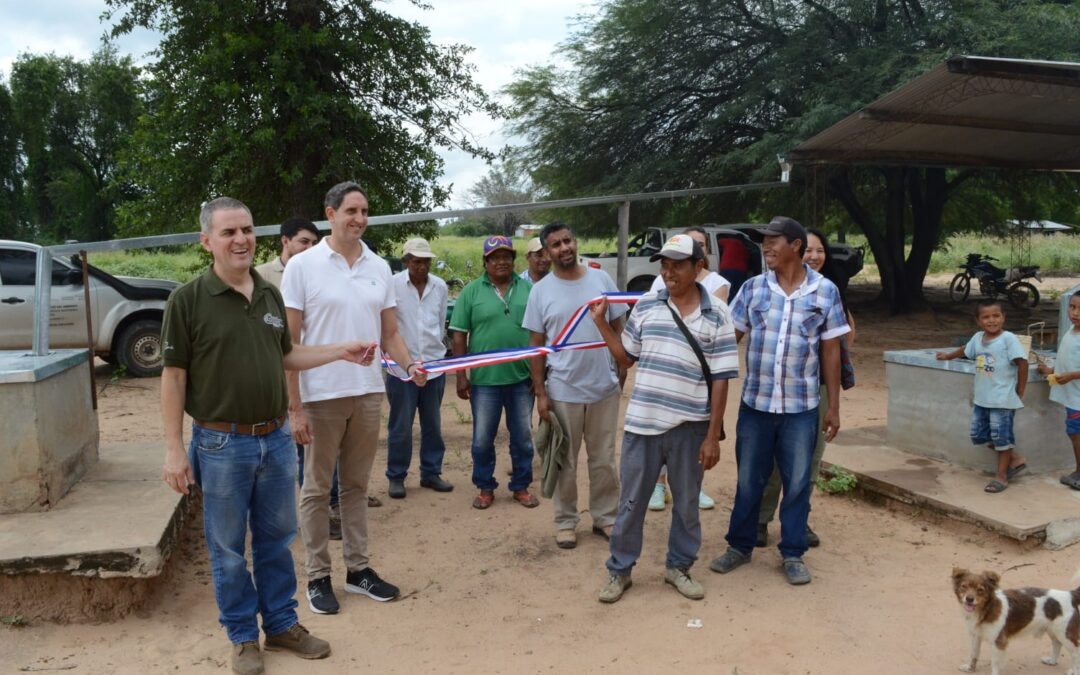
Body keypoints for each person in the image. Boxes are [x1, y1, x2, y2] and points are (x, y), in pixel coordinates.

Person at [161, 197, 376, 674]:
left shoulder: (268, 294)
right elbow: (173, 378)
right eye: (228, 232)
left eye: (246, 230)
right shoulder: (188, 300)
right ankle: (242, 636)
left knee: (277, 540)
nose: (240, 239)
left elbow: (288, 355)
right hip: (220, 445)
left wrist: (341, 350)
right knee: (229, 549)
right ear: (206, 242)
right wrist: (175, 450)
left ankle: (280, 625)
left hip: (275, 439)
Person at [281, 181, 423, 615]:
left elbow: (390, 334)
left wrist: (409, 365)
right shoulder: (303, 267)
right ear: (331, 213)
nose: (359, 219)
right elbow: (288, 344)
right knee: (316, 489)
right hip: (321, 395)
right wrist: (295, 407)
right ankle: (318, 576)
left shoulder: (379, 267)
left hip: (367, 393)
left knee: (358, 486)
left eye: (364, 211)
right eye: (351, 211)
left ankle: (359, 570)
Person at [588, 234, 738, 603]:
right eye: (664, 264)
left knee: (687, 504)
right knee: (631, 503)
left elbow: (721, 379)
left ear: (698, 268)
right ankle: (619, 571)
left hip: (691, 427)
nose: (668, 271)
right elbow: (627, 357)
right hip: (643, 424)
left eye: (678, 264)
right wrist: (602, 324)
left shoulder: (718, 314)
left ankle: (679, 567)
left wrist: (712, 436)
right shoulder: (647, 306)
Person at [709, 216, 849, 586]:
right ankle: (739, 547)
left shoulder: (825, 291)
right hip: (756, 405)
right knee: (749, 481)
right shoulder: (754, 289)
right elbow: (730, 339)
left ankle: (793, 553)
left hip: (802, 409)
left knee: (798, 482)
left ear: (796, 245)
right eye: (763, 242)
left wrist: (832, 406)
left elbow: (831, 351)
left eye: (773, 241)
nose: (766, 247)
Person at [524, 221, 626, 550]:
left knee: (604, 460)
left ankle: (606, 517)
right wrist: (541, 393)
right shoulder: (541, 291)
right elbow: (536, 345)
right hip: (563, 390)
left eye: (567, 240)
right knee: (564, 461)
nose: (564, 248)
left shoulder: (601, 279)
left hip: (603, 389)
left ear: (576, 241)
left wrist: (620, 372)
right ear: (547, 251)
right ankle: (566, 522)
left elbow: (618, 325)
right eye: (555, 244)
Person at [756, 227, 854, 547]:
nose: (815, 256)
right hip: (782, 390)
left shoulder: (830, 290)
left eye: (820, 250)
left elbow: (846, 337)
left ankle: (798, 521)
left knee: (810, 459)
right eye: (809, 250)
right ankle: (760, 518)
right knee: (773, 458)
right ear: (796, 250)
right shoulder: (771, 288)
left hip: (819, 389)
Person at [449, 235, 539, 509]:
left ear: (514, 260)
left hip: (522, 379)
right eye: (495, 258)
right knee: (481, 439)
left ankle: (521, 486)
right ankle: (485, 487)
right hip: (485, 381)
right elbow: (458, 335)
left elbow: (540, 333)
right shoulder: (471, 292)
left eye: (506, 257)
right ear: (485, 262)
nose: (501, 262)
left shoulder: (529, 289)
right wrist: (461, 375)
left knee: (522, 437)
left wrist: (539, 375)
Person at [645, 226, 729, 511]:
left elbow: (713, 314)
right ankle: (659, 486)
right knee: (660, 435)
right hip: (663, 380)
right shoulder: (663, 282)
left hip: (696, 380)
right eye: (666, 264)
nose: (669, 272)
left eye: (700, 244)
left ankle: (694, 489)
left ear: (701, 258)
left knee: (691, 447)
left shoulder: (718, 283)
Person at [937, 299, 1028, 493]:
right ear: (978, 321)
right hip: (982, 398)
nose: (992, 320)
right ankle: (1016, 459)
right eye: (986, 317)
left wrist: (1020, 390)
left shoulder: (1008, 339)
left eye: (996, 316)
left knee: (1001, 439)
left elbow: (1022, 363)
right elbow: (965, 350)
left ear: (1003, 317)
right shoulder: (978, 338)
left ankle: (1001, 477)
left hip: (1002, 399)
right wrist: (948, 356)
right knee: (979, 435)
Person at [385, 237, 452, 498]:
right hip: (402, 370)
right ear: (406, 261)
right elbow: (388, 327)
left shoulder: (440, 287)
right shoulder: (392, 286)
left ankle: (431, 472)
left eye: (425, 261)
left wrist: (436, 358)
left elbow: (439, 322)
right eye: (416, 261)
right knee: (400, 426)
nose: (421, 266)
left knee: (433, 424)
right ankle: (396, 476)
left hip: (434, 366)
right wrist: (406, 362)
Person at [1037, 292, 1080, 491]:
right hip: (1073, 396)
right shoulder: (1072, 330)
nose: (1076, 313)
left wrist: (1072, 376)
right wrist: (1051, 371)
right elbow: (1067, 360)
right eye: (1072, 307)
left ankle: (1079, 474)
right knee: (1074, 433)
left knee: (1076, 434)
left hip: (1078, 397)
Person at [718, 235, 751, 300]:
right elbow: (748, 258)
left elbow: (718, 241)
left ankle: (730, 304)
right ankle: (739, 302)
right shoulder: (744, 247)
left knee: (728, 288)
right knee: (740, 289)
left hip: (727, 268)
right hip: (741, 270)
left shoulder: (729, 241)